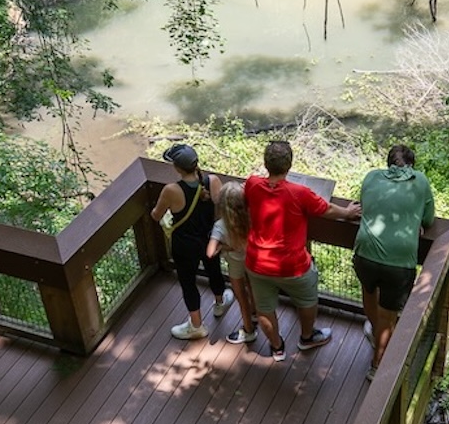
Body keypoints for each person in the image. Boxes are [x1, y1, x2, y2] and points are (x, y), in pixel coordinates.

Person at [244, 139, 358, 361]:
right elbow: (327, 209)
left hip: (257, 263)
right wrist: (347, 213)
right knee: (307, 301)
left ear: (266, 164)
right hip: (293, 265)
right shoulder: (300, 193)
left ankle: (277, 346)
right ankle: (307, 337)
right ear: (289, 165)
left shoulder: (252, 184)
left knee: (264, 308)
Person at [354, 144, 436, 380]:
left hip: (364, 253)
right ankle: (377, 366)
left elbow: (367, 205)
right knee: (388, 317)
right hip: (399, 262)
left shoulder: (371, 177)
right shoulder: (419, 181)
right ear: (412, 164)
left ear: (387, 162)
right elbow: (429, 218)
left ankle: (374, 330)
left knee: (368, 292)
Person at [151, 144, 229, 340]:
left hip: (185, 244)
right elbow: (219, 210)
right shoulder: (213, 181)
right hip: (210, 238)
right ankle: (220, 303)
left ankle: (196, 325)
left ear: (177, 168)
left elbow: (156, 215)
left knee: (188, 282)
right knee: (214, 270)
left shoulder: (171, 190)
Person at [207, 180, 259, 346]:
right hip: (252, 260)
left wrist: (224, 246)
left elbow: (210, 252)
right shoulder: (251, 216)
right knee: (252, 289)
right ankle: (255, 313)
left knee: (241, 297)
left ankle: (249, 330)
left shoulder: (220, 227)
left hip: (235, 265)